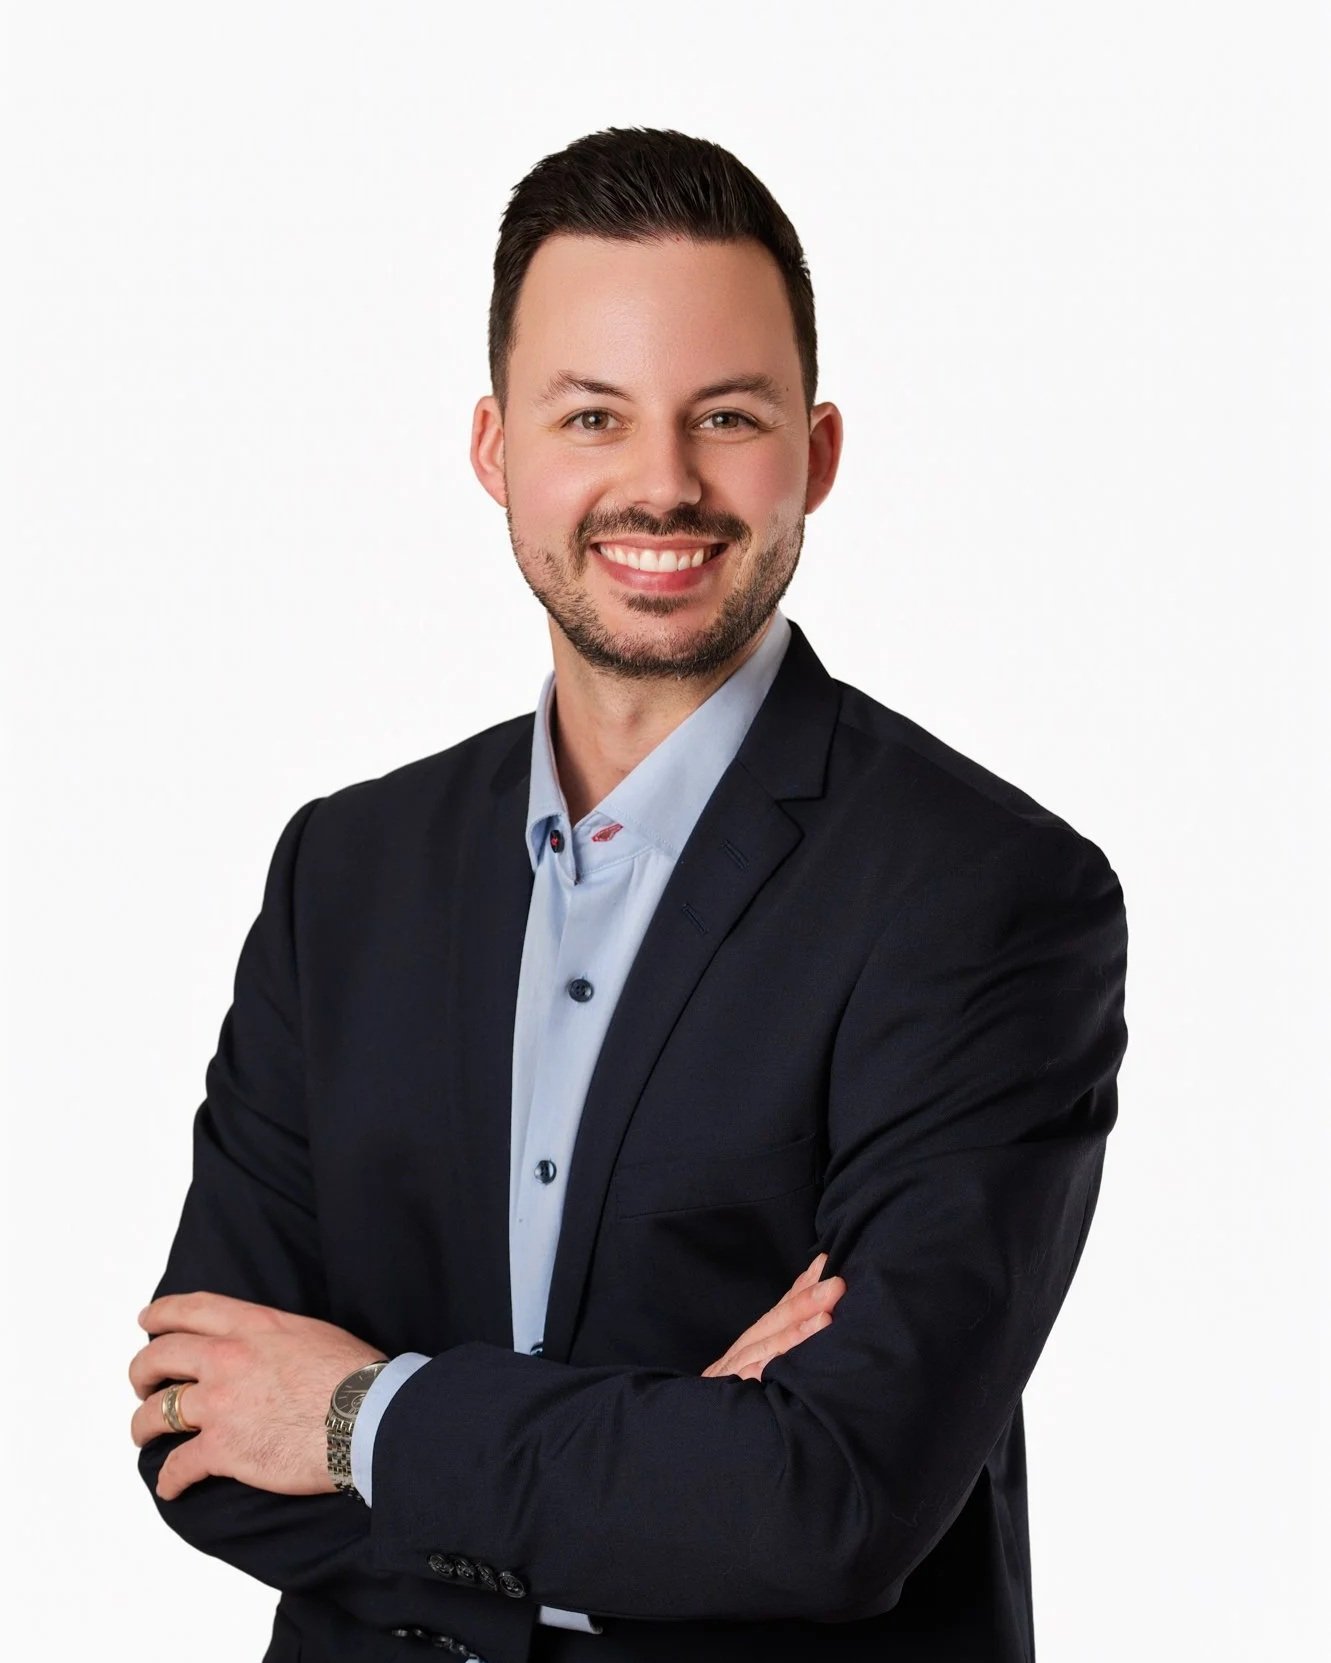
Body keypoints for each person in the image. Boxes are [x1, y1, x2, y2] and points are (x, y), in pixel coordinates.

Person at [129, 127, 1129, 1663]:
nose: (660, 484)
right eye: (592, 415)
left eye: (724, 418)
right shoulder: (346, 873)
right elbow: (199, 1427)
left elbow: (830, 1501)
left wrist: (351, 1419)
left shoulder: (988, 899)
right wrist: (665, 1467)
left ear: (818, 451)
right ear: (496, 452)